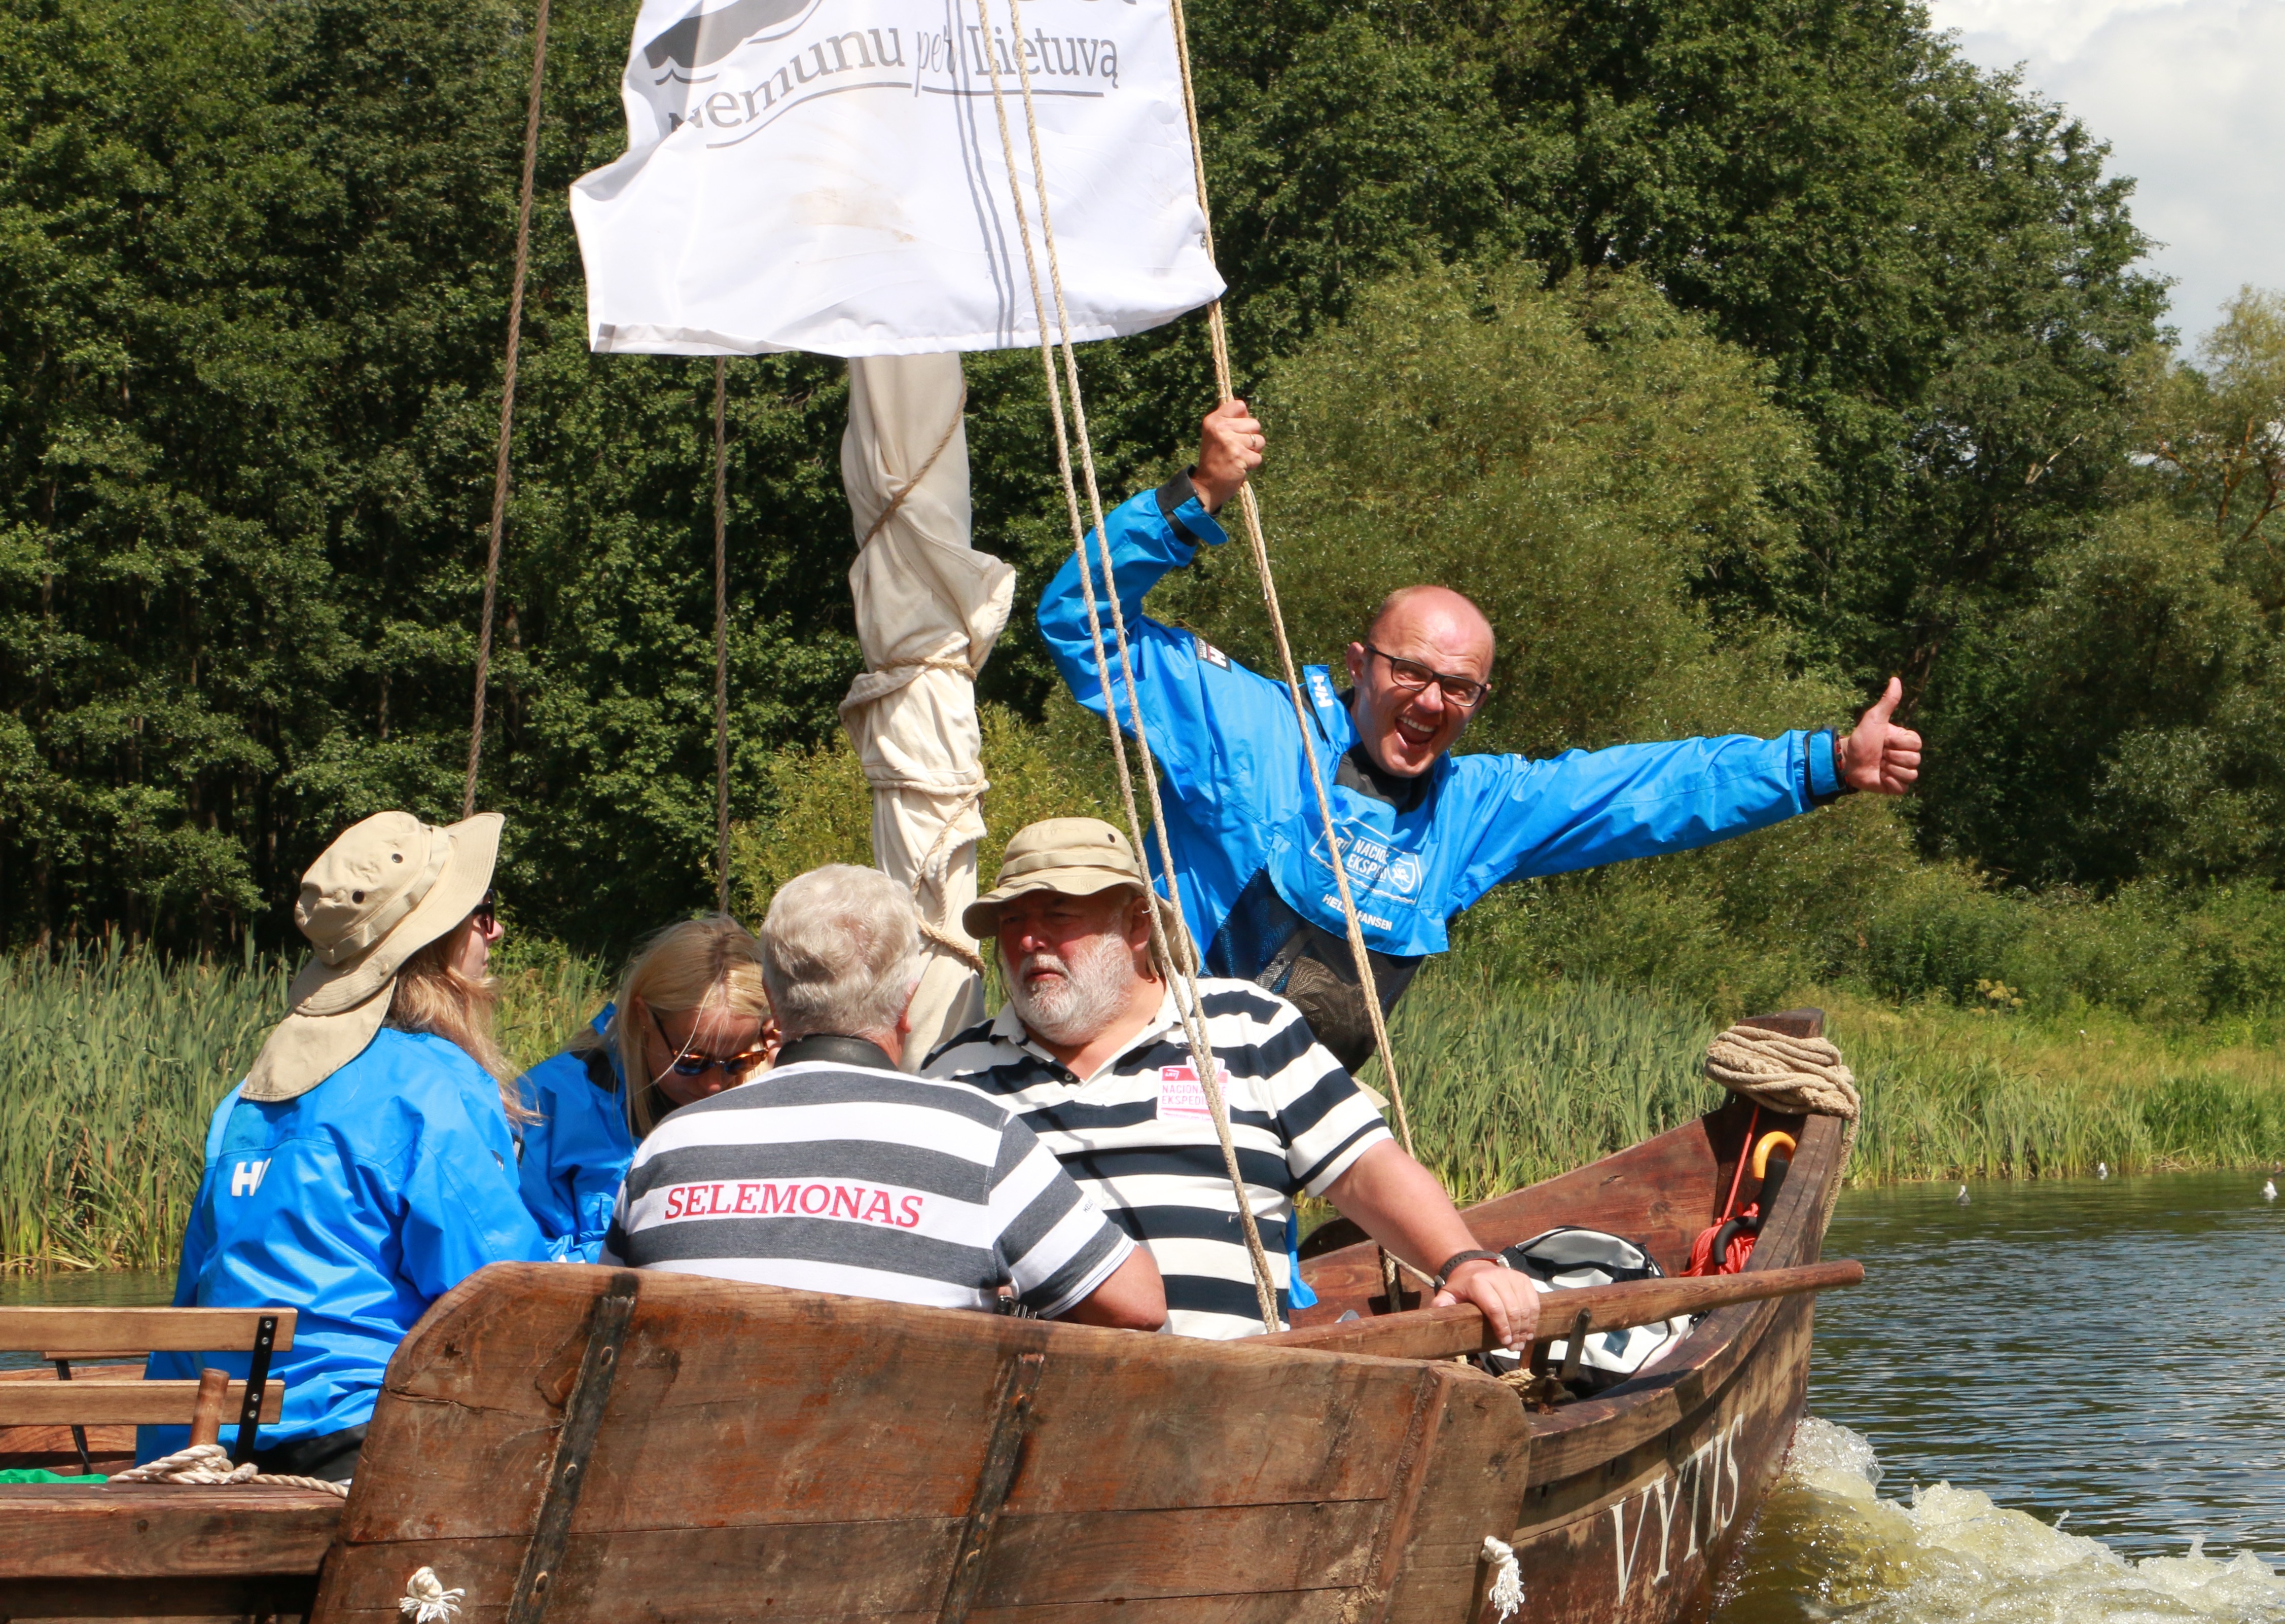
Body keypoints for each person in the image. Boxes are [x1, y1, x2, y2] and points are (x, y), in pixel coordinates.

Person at [1029, 399, 1926, 1066]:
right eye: (1408, 672)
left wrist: (1823, 764)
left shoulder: (1475, 810)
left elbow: (1652, 791)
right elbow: (1079, 619)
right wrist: (1198, 494)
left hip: (1282, 1127)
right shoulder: (1247, 728)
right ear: (1358, 664)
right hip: (1138, 1077)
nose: (1427, 701)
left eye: (1457, 688)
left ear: (1479, 701)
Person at [925, 819, 1544, 1346]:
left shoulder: (1248, 1027)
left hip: (1235, 1407)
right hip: (1034, 1409)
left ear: (1138, 925)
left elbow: (1362, 1168)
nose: (1029, 941)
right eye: (1011, 922)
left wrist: (1462, 1263)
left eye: (1058, 915)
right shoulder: (957, 1074)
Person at [139, 811, 573, 1481]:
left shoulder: (246, 1101)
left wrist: (160, 1469)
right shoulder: (433, 1086)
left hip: (234, 1451)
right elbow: (504, 1298)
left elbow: (194, 1313)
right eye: (484, 913)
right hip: (374, 1447)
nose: (497, 931)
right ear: (445, 940)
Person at [605, 862, 1166, 1328]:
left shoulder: (667, 1148)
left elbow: (607, 1315)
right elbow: (1138, 1306)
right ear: (907, 1002)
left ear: (773, 1004)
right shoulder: (978, 1141)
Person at [517, 916, 773, 1254]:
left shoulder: (773, 1100)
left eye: (738, 1061)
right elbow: (520, 1254)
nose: (715, 1086)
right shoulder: (544, 1106)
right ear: (644, 1017)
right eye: (692, 1062)